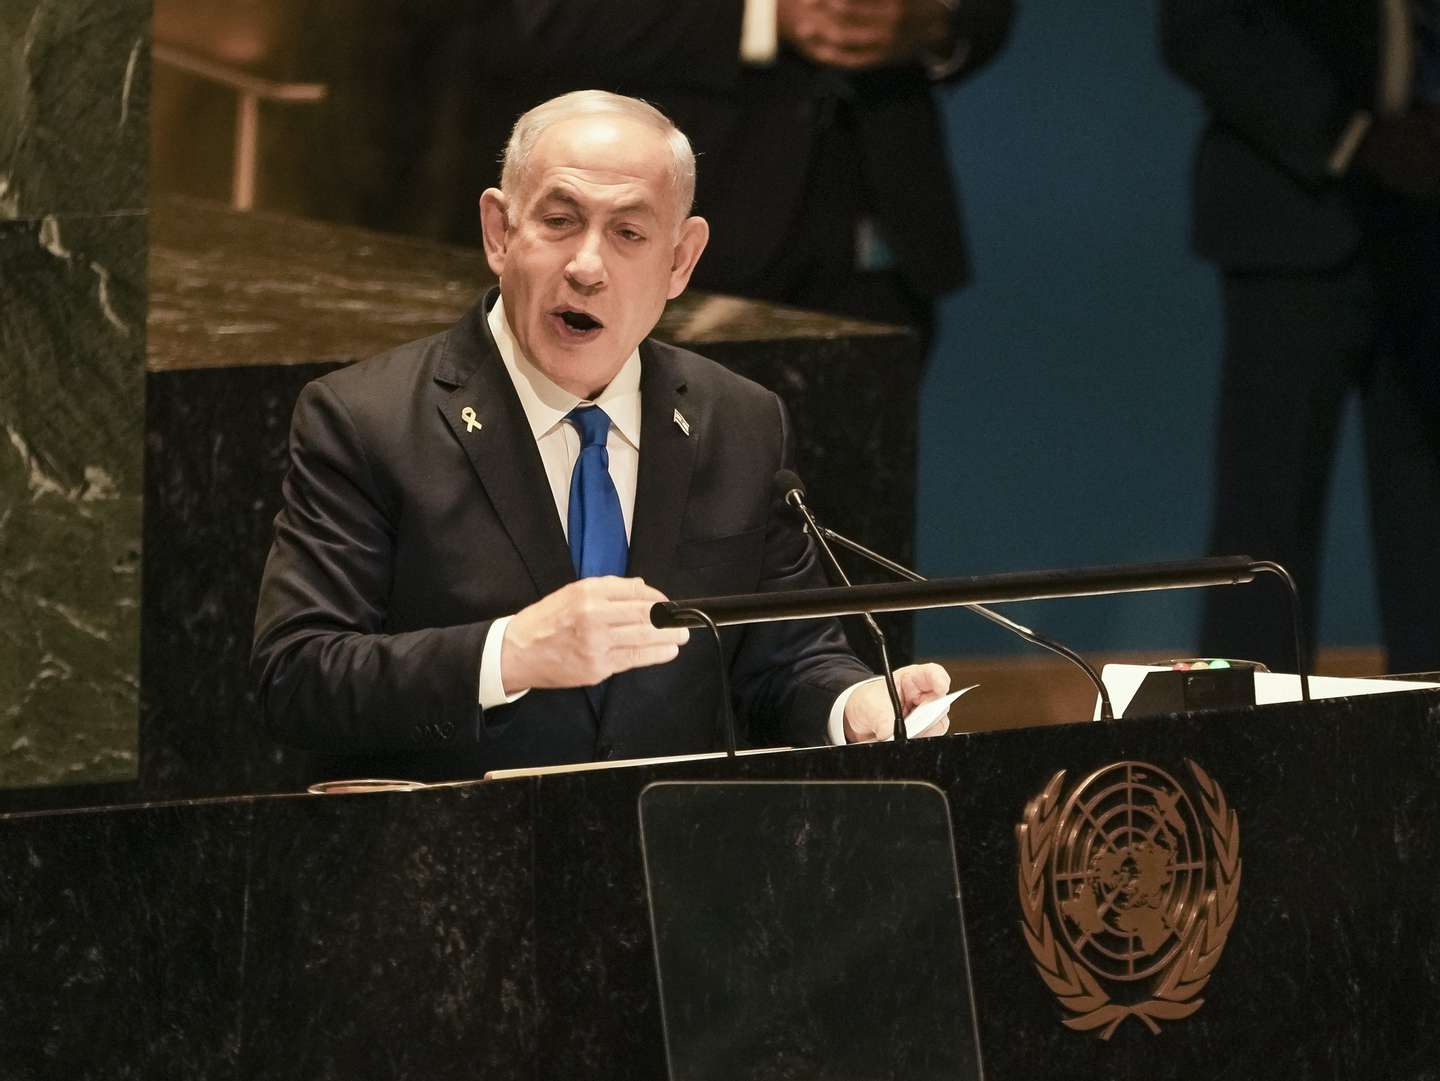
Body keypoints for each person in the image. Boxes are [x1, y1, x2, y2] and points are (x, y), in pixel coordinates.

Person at [252, 91, 952, 780]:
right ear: (499, 232)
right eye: (559, 220)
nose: (587, 266)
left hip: (662, 866)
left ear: (680, 260)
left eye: (629, 234)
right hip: (448, 868)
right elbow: (299, 676)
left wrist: (852, 704)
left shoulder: (738, 421)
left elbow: (788, 656)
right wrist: (508, 652)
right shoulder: (366, 419)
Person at [299, 0, 1014, 347]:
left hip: (879, 242)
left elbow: (986, 13)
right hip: (648, 246)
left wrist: (937, 22)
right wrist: (763, 15)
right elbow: (515, 16)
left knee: (852, 572)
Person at [1162, 0, 1440, 672]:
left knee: (1430, 523)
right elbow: (1196, 29)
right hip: (1288, 213)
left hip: (1427, 225)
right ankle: (1240, 762)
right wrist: (1352, 137)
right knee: (1266, 520)